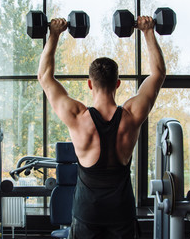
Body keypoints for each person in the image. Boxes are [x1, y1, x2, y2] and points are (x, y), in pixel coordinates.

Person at [38, 15, 166, 239]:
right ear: (117, 83)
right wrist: (148, 32)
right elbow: (158, 74)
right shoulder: (131, 115)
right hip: (122, 213)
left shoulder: (77, 117)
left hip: (87, 214)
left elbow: (44, 76)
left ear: (90, 84)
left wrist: (54, 35)